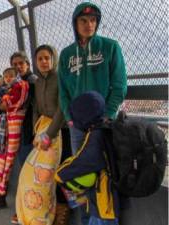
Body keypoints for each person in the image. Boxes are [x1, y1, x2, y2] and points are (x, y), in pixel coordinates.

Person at [57, 3, 127, 224]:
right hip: (78, 127)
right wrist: (69, 118)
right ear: (75, 23)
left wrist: (107, 115)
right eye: (84, 21)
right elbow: (63, 91)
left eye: (93, 21)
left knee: (104, 175)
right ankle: (88, 218)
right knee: (83, 176)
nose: (89, 25)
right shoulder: (67, 54)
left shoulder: (110, 47)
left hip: (104, 126)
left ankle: (104, 218)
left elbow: (119, 85)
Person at [15, 45, 66, 225]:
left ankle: (56, 215)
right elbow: (36, 107)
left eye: (47, 58)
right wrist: (38, 130)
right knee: (31, 176)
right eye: (40, 59)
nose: (44, 62)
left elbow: (63, 108)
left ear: (53, 59)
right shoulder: (37, 82)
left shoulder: (60, 78)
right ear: (35, 62)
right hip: (42, 131)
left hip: (58, 132)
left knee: (53, 177)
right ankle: (35, 213)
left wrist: (49, 134)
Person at [55, 91, 120, 225]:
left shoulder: (95, 136)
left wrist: (60, 174)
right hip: (113, 193)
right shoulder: (107, 125)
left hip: (104, 199)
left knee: (99, 220)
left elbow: (83, 162)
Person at [0, 67, 29, 211]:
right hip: (8, 125)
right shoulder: (8, 87)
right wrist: (3, 101)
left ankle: (21, 205)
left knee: (10, 163)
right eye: (6, 76)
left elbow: (6, 104)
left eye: (21, 63)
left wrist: (3, 102)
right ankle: (1, 197)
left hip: (20, 128)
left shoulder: (24, 84)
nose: (8, 78)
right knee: (1, 160)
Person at [9, 51, 37, 224]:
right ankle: (24, 209)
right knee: (25, 171)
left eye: (21, 63)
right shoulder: (18, 81)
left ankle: (24, 211)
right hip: (21, 131)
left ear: (27, 63)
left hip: (29, 131)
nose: (19, 67)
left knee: (27, 173)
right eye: (15, 64)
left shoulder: (31, 81)